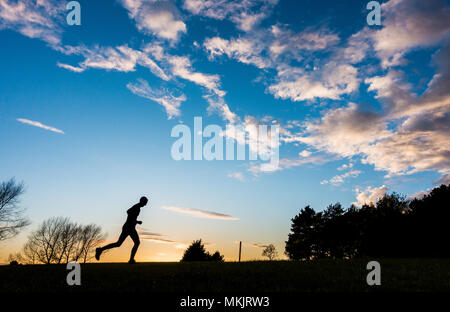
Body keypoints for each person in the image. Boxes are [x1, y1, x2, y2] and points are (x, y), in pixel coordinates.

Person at [95, 196, 148, 264]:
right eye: (145, 202)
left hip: (129, 227)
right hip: (129, 227)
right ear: (142, 201)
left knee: (118, 244)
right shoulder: (137, 207)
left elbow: (130, 215)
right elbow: (128, 212)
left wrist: (136, 221)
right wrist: (135, 222)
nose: (145, 204)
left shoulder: (138, 208)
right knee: (136, 243)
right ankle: (131, 260)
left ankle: (100, 250)